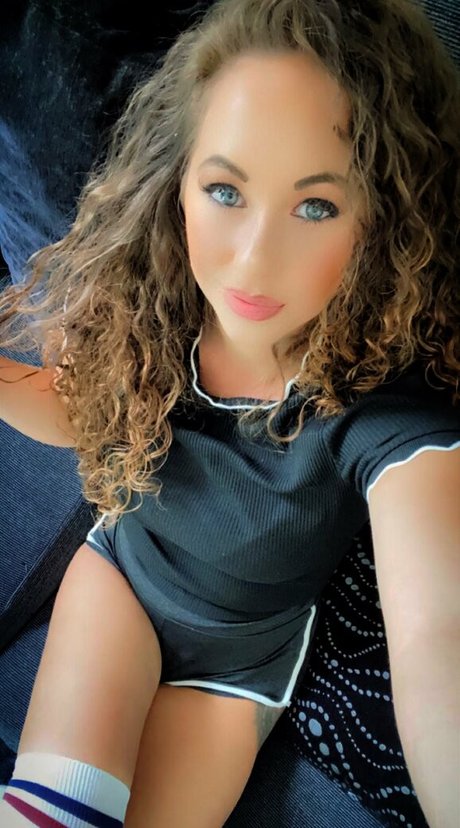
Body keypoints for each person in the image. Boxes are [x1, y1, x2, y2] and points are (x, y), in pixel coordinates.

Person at [0, 0, 459, 824]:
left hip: (239, 668)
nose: (252, 259)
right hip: (120, 579)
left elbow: (440, 637)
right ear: (175, 180)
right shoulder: (147, 304)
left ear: (385, 219)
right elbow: (78, 415)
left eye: (316, 207)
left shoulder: (387, 412)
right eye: (224, 190)